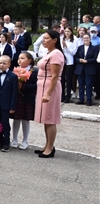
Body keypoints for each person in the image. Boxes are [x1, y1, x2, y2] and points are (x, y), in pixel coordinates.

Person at [35, 30, 65, 158]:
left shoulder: (56, 54)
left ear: (55, 40)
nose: (44, 40)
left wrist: (48, 93)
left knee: (50, 118)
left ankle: (50, 147)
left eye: (47, 38)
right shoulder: (49, 53)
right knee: (46, 119)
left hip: (50, 87)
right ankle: (47, 145)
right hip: (43, 85)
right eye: (43, 38)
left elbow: (54, 76)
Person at [11, 52, 37, 150]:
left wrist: (23, 86)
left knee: (25, 120)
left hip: (27, 98)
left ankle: (25, 140)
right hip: (17, 97)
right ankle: (14, 139)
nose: (19, 60)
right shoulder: (15, 71)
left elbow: (35, 86)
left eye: (22, 58)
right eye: (19, 58)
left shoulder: (33, 71)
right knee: (16, 119)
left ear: (29, 60)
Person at [74, 34, 98, 106]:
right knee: (81, 84)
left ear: (90, 39)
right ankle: (81, 99)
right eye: (84, 38)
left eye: (87, 38)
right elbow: (76, 57)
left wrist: (87, 61)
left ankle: (89, 100)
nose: (86, 39)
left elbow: (95, 58)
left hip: (89, 68)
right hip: (80, 68)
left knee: (88, 84)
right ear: (82, 40)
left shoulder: (94, 48)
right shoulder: (79, 47)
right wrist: (79, 60)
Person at [61, 26, 77, 103]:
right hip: (62, 61)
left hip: (70, 62)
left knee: (69, 80)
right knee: (62, 80)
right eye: (66, 31)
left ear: (71, 32)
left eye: (68, 31)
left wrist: (66, 47)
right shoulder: (62, 39)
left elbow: (73, 52)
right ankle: (62, 95)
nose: (67, 33)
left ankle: (68, 96)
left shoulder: (74, 40)